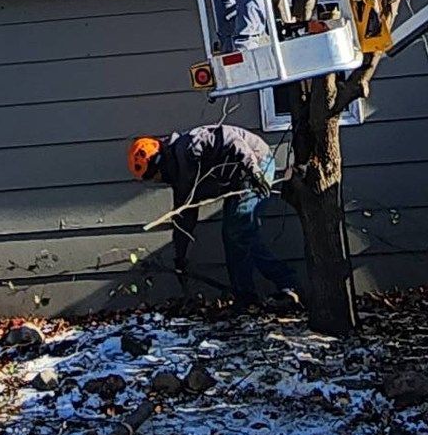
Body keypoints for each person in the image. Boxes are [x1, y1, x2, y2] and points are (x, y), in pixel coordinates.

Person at [127, 125, 301, 312]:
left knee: (239, 230)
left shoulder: (190, 145)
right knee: (233, 235)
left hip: (256, 162)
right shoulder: (181, 180)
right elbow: (184, 217)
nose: (156, 181)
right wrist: (180, 256)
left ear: (159, 164)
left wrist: (254, 171)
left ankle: (289, 287)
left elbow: (230, 139)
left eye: (154, 177)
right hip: (239, 180)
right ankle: (247, 299)